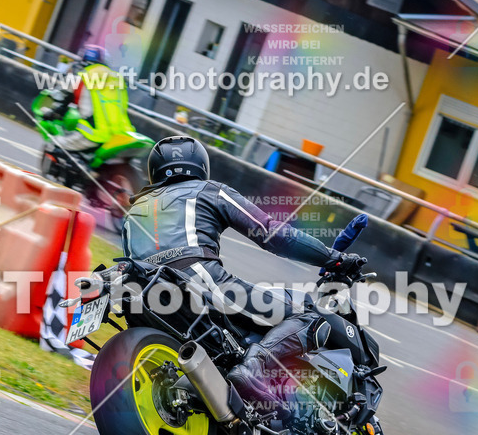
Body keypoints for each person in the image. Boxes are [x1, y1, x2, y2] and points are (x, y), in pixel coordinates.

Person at [121, 136, 362, 416]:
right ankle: (253, 367)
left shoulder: (133, 212)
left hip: (150, 300)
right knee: (309, 313)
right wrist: (332, 257)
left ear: (155, 170)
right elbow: (272, 233)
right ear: (200, 165)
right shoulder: (209, 190)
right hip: (203, 284)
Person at [39, 44, 135, 153]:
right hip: (120, 135)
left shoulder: (81, 78)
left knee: (53, 146)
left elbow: (60, 101)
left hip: (94, 134)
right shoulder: (117, 79)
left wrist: (50, 113)